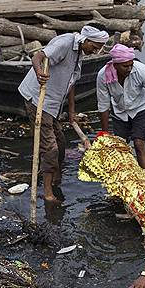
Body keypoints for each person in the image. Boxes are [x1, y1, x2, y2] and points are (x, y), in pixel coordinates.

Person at [19, 24, 110, 203]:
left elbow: (71, 82)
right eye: (94, 46)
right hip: (38, 98)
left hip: (53, 103)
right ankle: (47, 192)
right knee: (50, 148)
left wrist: (71, 111)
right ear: (86, 39)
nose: (96, 51)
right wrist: (39, 72)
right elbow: (39, 56)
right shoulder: (65, 43)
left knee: (60, 141)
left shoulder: (79, 53)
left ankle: (56, 176)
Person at [96, 44, 145, 171]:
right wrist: (104, 133)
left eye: (130, 65)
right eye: (125, 66)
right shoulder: (103, 76)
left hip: (140, 109)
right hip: (119, 112)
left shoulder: (141, 71)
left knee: (139, 144)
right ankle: (128, 179)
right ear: (115, 65)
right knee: (121, 147)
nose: (129, 69)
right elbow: (103, 104)